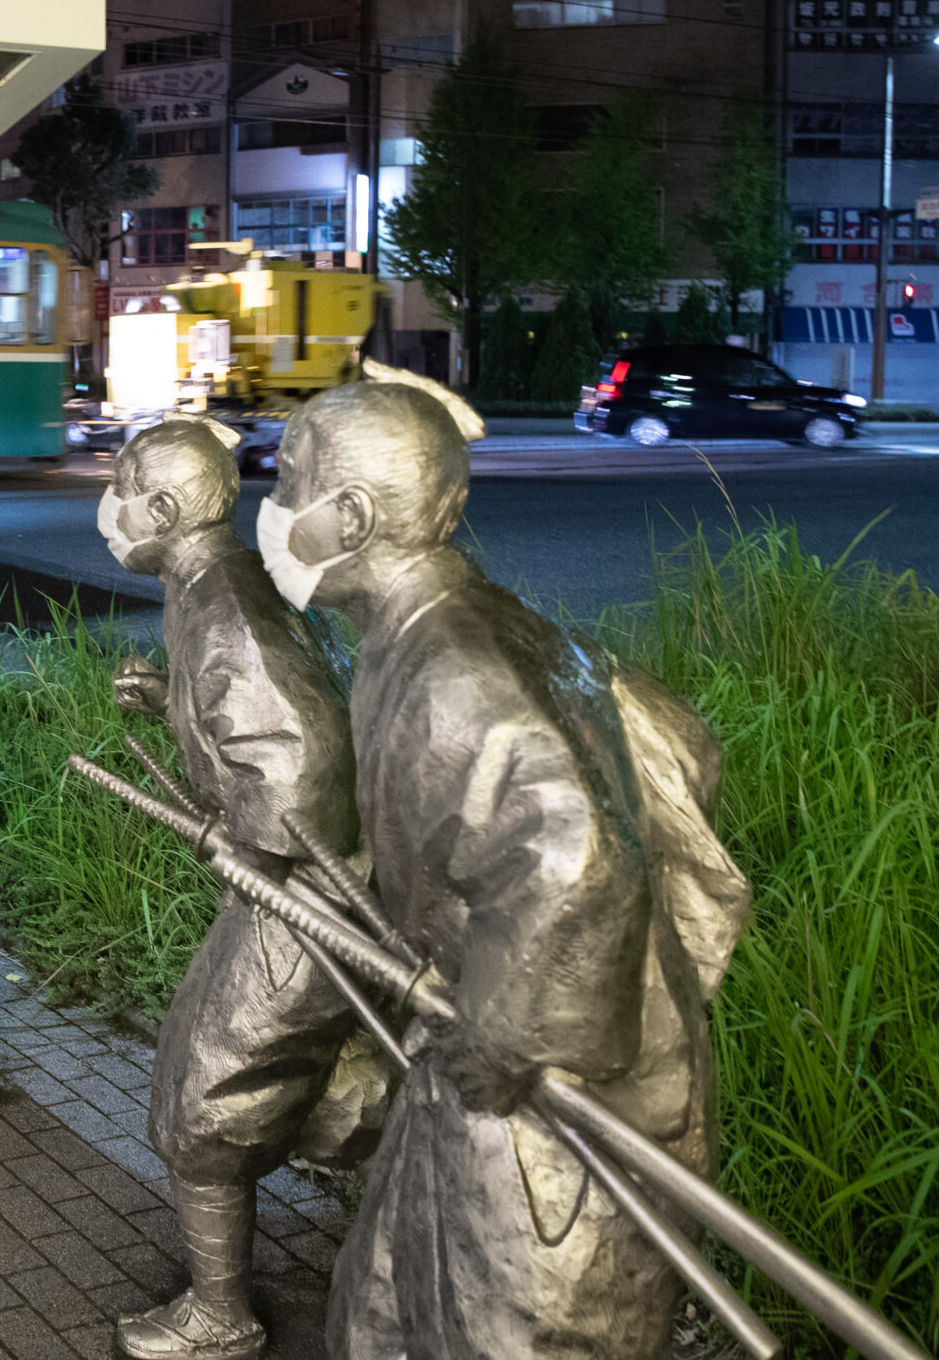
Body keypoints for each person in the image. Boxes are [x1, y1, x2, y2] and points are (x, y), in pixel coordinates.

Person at [257, 362, 749, 1360]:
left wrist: (499, 1036)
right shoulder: (455, 621)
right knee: (381, 1312)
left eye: (288, 482)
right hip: (477, 1063)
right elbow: (679, 747)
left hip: (553, 1100)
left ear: (350, 516)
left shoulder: (453, 667)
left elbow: (576, 861)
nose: (271, 506)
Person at [97, 415, 382, 1360]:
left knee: (202, 1096)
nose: (108, 508)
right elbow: (247, 707)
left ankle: (222, 1313)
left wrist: (245, 840)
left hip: (300, 895)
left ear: (163, 510)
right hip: (295, 886)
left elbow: (302, 759)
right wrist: (168, 697)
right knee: (337, 1086)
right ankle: (408, 1244)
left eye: (121, 489)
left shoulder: (224, 603)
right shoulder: (209, 586)